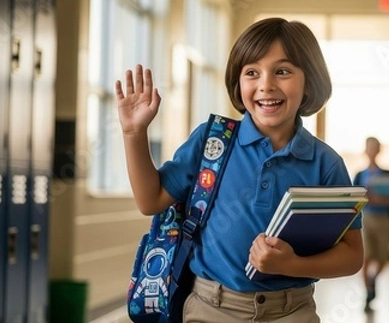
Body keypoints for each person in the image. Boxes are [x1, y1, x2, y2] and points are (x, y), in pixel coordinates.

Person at [115, 18, 363, 322]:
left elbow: (352, 256)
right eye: (252, 72)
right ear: (238, 83)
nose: (266, 84)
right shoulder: (211, 141)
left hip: (292, 311)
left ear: (309, 81)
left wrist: (292, 265)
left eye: (282, 71)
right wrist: (133, 134)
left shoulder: (326, 164)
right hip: (209, 307)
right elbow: (149, 200)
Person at [352, 137, 389, 311]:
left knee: (383, 257)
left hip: (384, 220)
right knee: (366, 257)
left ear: (379, 150)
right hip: (366, 220)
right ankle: (368, 293)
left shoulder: (388, 175)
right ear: (366, 151)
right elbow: (353, 200)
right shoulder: (360, 175)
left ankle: (373, 280)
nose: (372, 151)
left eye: (375, 147)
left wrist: (383, 200)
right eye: (369, 147)